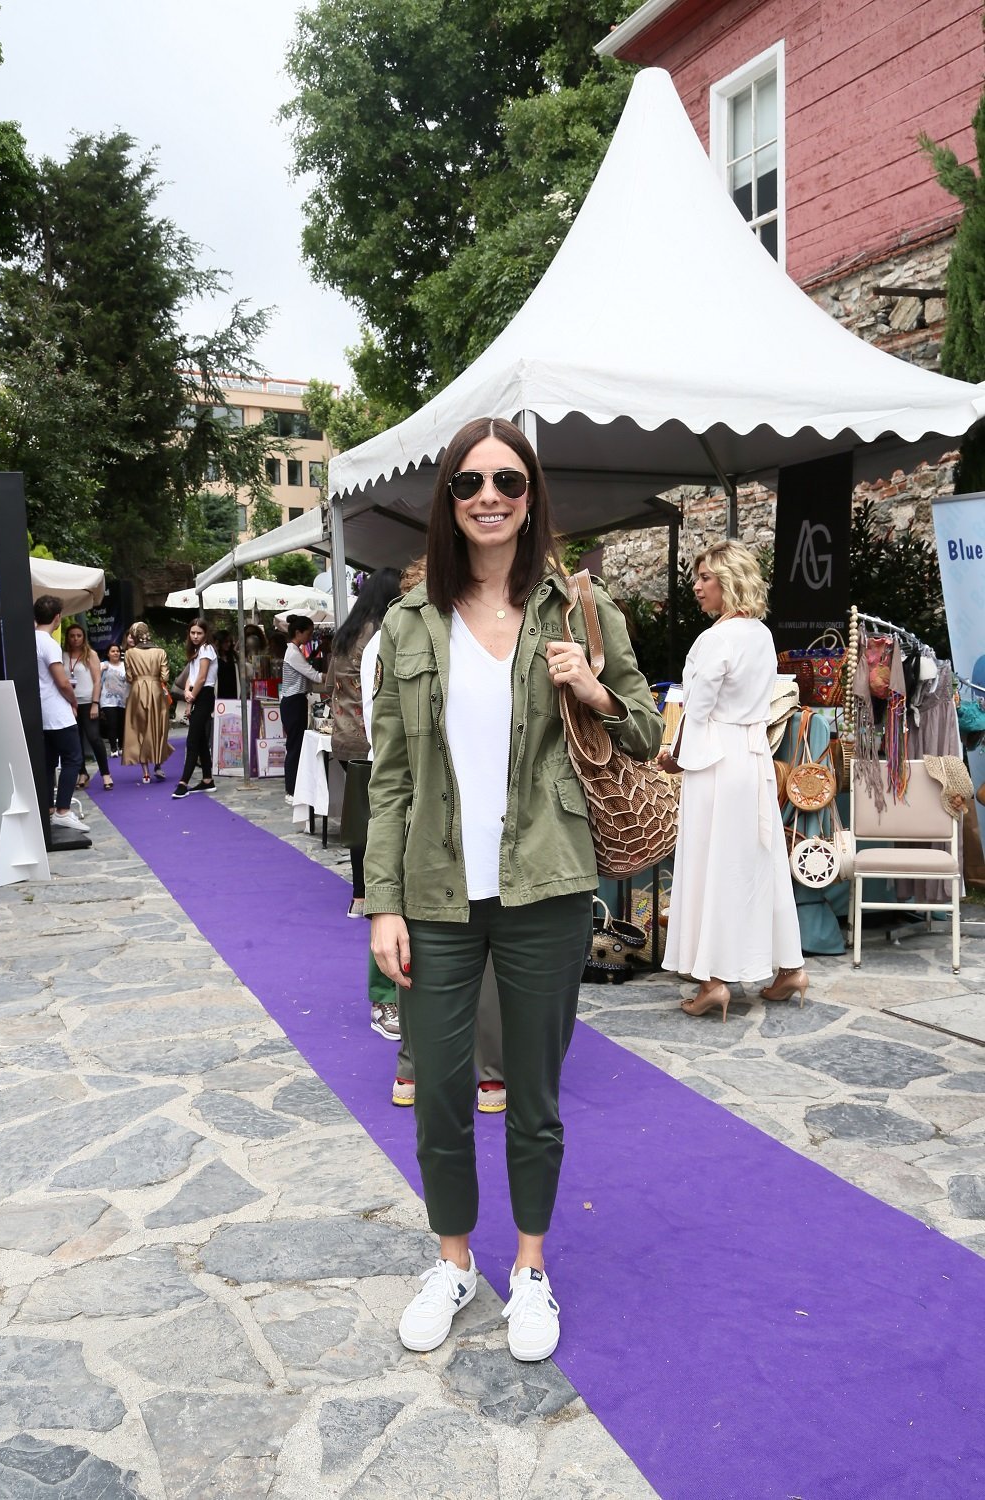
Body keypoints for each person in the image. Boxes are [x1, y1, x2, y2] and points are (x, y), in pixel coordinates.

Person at [366, 416, 660, 1362]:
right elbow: (390, 779)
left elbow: (648, 730)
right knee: (441, 1093)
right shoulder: (411, 622)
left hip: (549, 887)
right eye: (469, 482)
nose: (489, 496)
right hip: (435, 893)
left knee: (533, 1093)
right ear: (447, 499)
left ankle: (530, 1269)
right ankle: (453, 1262)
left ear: (532, 497)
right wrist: (382, 903)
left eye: (508, 481)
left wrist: (594, 691)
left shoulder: (579, 610)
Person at [360, 557, 507, 1112]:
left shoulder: (497, 629)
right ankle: (472, 1072)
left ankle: (422, 1070)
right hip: (424, 812)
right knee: (421, 949)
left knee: (432, 951)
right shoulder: (399, 632)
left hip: (447, 815)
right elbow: (392, 754)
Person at [657, 540, 808, 1017]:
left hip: (717, 759)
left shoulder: (715, 639)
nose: (696, 586)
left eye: (705, 578)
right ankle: (790, 968)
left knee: (713, 864)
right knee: (760, 862)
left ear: (728, 580)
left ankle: (714, 980)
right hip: (753, 757)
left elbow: (698, 709)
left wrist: (675, 756)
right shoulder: (761, 635)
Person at [327, 567, 401, 918]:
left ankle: (359, 895)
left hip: (344, 737)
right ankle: (374, 892)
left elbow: (329, 683)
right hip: (370, 738)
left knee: (360, 817)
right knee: (379, 818)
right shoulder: (381, 632)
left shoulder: (347, 631)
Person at [34, 595, 89, 834]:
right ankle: (63, 811)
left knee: (48, 762)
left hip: (40, 710)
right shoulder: (48, 644)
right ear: (57, 618)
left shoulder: (29, 639)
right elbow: (62, 682)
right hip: (57, 711)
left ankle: (48, 808)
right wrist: (73, 701)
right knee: (72, 759)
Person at [280, 614, 325, 805]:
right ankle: (291, 790)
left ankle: (294, 788)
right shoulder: (293, 653)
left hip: (295, 701)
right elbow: (313, 675)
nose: (310, 637)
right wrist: (331, 675)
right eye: (308, 633)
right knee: (294, 747)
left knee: (296, 745)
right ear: (298, 632)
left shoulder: (294, 651)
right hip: (293, 702)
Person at [172, 618, 219, 799]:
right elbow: (191, 677)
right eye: (193, 632)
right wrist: (188, 696)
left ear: (205, 634)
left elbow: (202, 677)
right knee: (199, 740)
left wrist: (191, 695)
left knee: (192, 740)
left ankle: (183, 782)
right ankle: (207, 779)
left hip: (204, 694)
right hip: (197, 694)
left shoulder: (207, 649)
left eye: (199, 633)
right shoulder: (196, 651)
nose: (195, 636)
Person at [63, 623, 113, 790]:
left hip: (88, 702)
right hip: (69, 703)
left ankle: (106, 774)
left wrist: (95, 703)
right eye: (72, 636)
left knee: (94, 738)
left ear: (84, 637)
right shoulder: (63, 655)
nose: (75, 639)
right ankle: (82, 773)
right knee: (74, 740)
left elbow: (97, 681)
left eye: (79, 635)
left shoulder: (90, 654)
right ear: (67, 638)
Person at [122, 621, 172, 783]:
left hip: (137, 691)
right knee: (158, 728)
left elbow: (129, 677)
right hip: (156, 690)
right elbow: (165, 677)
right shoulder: (160, 652)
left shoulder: (130, 653)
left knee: (139, 730)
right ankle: (158, 764)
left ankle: (145, 773)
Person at [99, 643, 128, 756]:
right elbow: (96, 679)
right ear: (108, 653)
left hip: (123, 700)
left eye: (117, 651)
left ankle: (121, 746)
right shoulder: (103, 665)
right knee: (112, 724)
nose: (115, 653)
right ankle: (113, 748)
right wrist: (101, 670)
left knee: (122, 724)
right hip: (107, 700)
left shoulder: (125, 666)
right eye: (113, 651)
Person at [215, 631, 239, 698]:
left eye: (229, 642)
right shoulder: (214, 657)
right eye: (225, 642)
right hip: (219, 692)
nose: (228, 644)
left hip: (233, 692)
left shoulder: (234, 656)